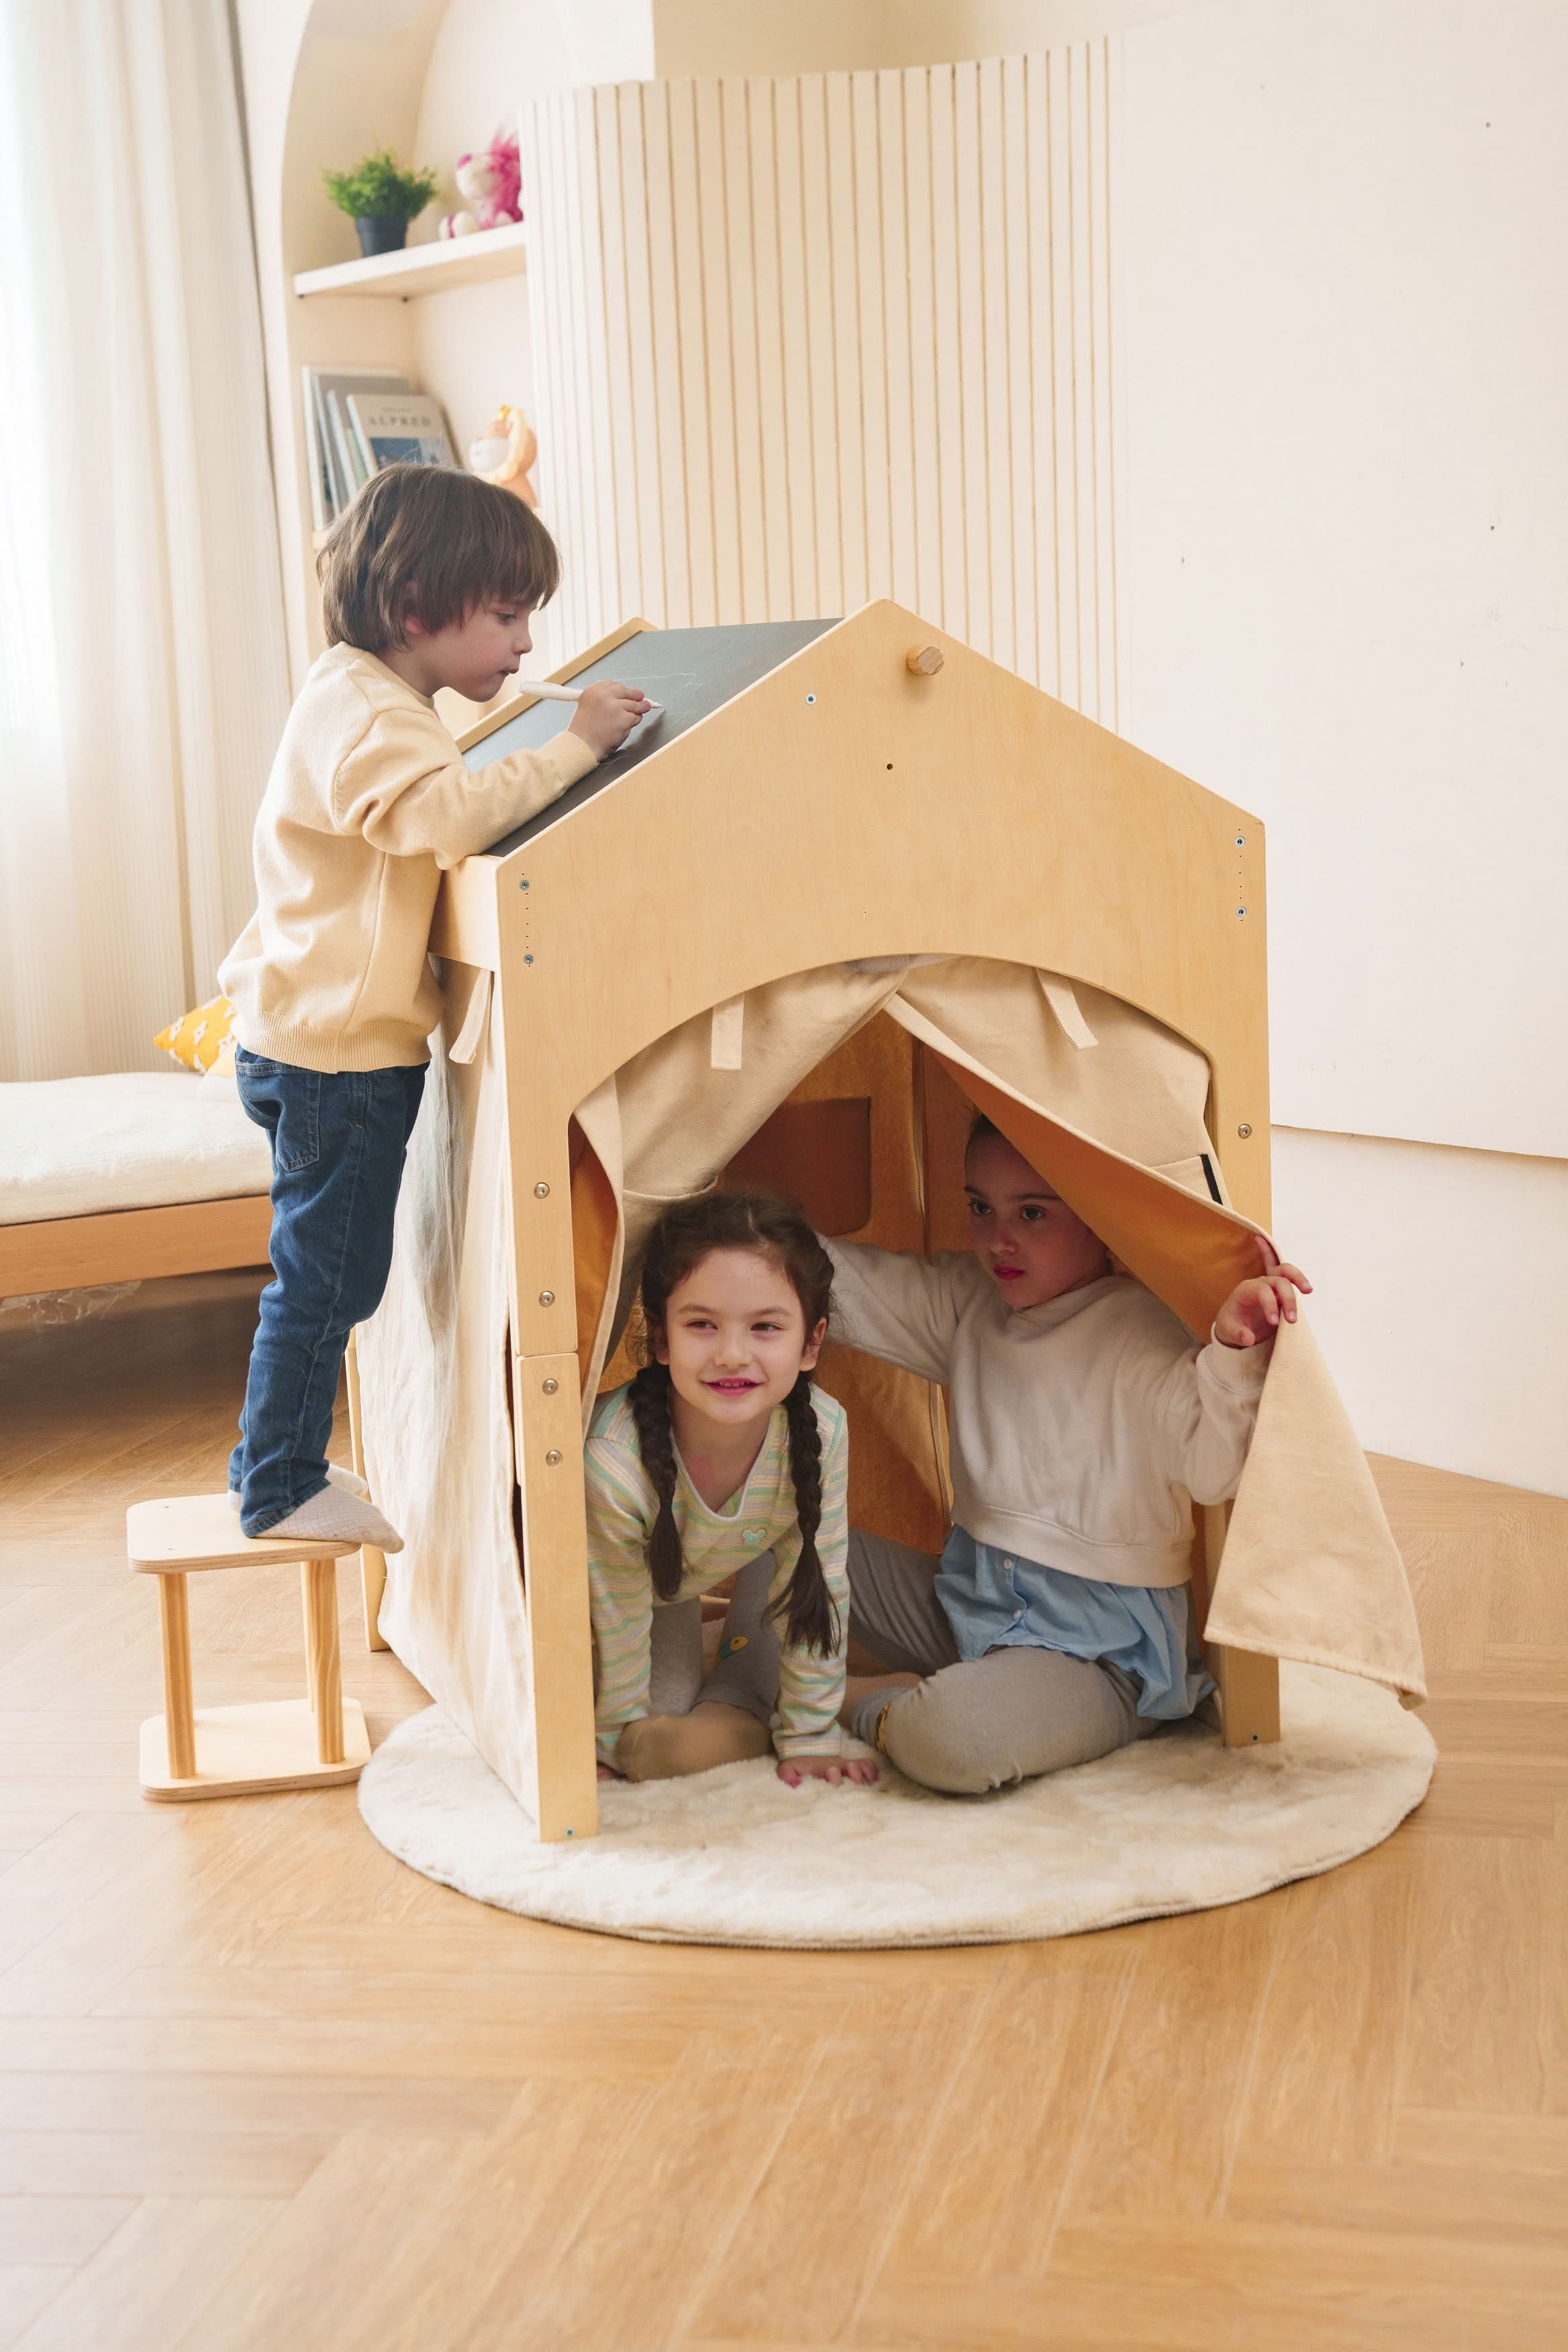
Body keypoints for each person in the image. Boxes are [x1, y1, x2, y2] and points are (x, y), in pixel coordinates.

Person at [219, 464, 650, 1547]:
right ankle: (275, 1482)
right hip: (338, 1054)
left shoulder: (359, 694)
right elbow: (442, 822)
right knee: (329, 1278)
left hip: (307, 1037)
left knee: (324, 1268)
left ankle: (274, 1465)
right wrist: (578, 744)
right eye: (505, 617)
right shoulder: (375, 716)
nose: (522, 647)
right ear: (418, 609)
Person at [828, 1116, 1311, 1794]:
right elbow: (841, 1283)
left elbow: (1212, 1473)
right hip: (966, 1605)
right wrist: (711, 1223)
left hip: (1097, 1659)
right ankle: (756, 1687)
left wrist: (1233, 1357)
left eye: (1032, 1213)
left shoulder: (1142, 1334)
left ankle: (855, 1702)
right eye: (979, 1208)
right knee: (773, 1543)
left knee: (952, 1738)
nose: (1000, 1239)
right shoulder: (971, 1303)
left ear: (1095, 1218)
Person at [585, 1192, 876, 1790]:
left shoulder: (823, 1430)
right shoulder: (615, 1463)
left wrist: (811, 1733)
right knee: (645, 1733)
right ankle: (750, 1716)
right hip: (601, 1601)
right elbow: (615, 1613)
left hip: (679, 1585)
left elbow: (818, 1588)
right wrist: (613, 1743)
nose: (731, 1354)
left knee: (669, 1722)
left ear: (811, 1344)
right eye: (701, 1325)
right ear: (662, 1339)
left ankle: (790, 1705)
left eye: (766, 1327)